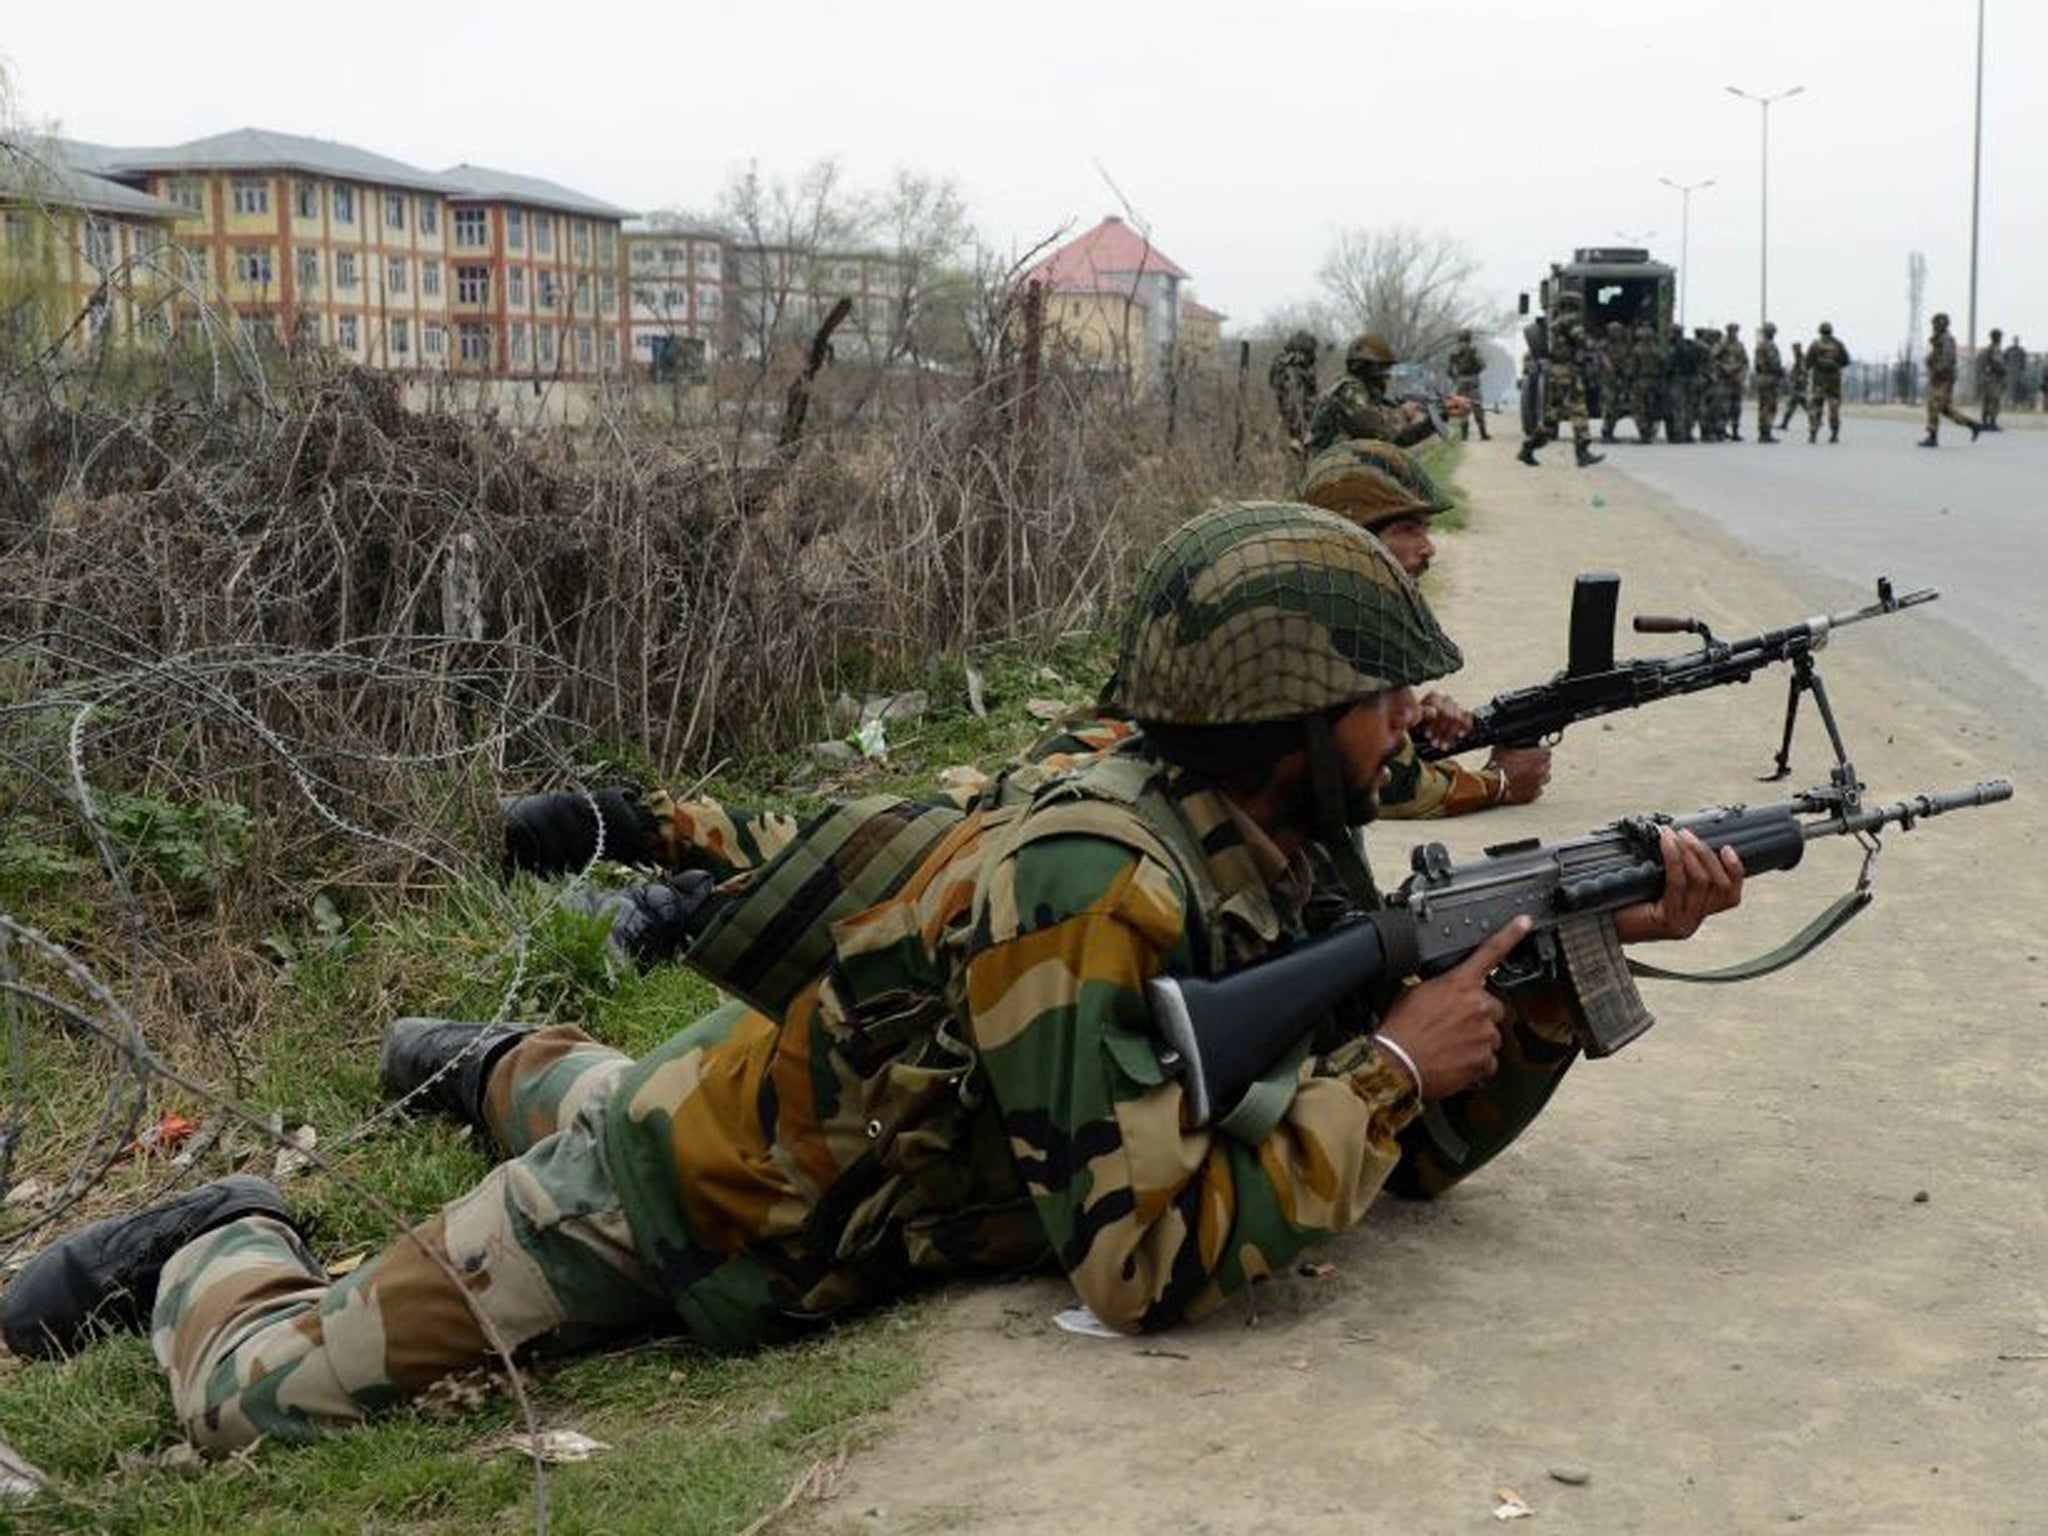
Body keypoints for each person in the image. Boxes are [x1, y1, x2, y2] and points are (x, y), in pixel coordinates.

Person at [0, 504, 1743, 1454]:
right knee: (260, 1398)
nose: (1415, 731)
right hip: (701, 1210)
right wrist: (1383, 1072)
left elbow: (1410, 1163)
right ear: (1281, 717)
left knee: (633, 1090)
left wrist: (1527, 1009)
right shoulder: (1099, 884)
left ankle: (492, 1062)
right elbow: (1138, 1263)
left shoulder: (1274, 845)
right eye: (1379, 704)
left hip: (829, 1147)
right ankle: (216, 1232)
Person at [1296, 441, 1551, 815]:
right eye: (1407, 529)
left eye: (1425, 530)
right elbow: (1398, 788)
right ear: (1354, 537)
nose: (1428, 547)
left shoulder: (1323, 597)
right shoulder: (1334, 623)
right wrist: (1501, 783)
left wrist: (1410, 723)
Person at [1305, 333, 1436, 454]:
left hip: (1346, 466)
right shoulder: (1348, 390)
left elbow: (1398, 439)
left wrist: (1434, 420)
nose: (1387, 377)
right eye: (1383, 370)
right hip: (1331, 471)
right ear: (1369, 369)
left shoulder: (1366, 396)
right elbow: (1378, 429)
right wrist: (1403, 413)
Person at [1519, 293, 1604, 468]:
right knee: (1571, 412)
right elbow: (1582, 340)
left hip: (1562, 372)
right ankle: (1579, 452)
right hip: (1565, 372)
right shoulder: (1570, 320)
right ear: (1573, 305)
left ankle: (1531, 449)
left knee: (1561, 415)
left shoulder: (1557, 322)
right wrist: (1598, 348)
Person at [1920, 313, 1984, 448]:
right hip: (1941, 379)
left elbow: (1948, 360)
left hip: (1943, 379)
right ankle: (1973, 425)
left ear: (1941, 324)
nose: (1934, 327)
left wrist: (1936, 369)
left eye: (1936, 324)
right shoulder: (1939, 339)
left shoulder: (1946, 339)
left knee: (1933, 404)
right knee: (1945, 410)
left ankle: (1932, 437)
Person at [1269, 329, 1321, 450]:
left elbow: (1313, 386)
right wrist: (1289, 365)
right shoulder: (1283, 360)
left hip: (1308, 415)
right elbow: (1275, 383)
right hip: (1291, 416)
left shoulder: (1308, 362)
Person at [1806, 322, 1850, 443]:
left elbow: (1807, 363)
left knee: (1816, 406)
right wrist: (1835, 366)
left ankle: (1813, 434)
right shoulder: (1838, 344)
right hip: (1834, 380)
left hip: (1819, 380)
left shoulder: (1815, 344)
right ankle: (1834, 434)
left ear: (1820, 331)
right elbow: (1846, 361)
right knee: (1834, 407)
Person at [1446, 329, 1490, 441]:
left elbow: (1449, 371)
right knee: (1477, 405)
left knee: (1462, 406)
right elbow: (1483, 364)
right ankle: (1483, 433)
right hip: (1473, 379)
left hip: (1460, 380)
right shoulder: (1474, 349)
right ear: (1469, 338)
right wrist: (1476, 372)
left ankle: (1464, 436)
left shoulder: (1453, 351)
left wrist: (1456, 379)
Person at [1627, 322, 1663, 443]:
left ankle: (1644, 434)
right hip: (1653, 381)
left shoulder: (1637, 350)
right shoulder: (1656, 349)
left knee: (1639, 408)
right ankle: (1649, 431)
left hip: (1640, 381)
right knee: (1650, 407)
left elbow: (1631, 369)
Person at [1715, 322, 1750, 442]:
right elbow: (1713, 359)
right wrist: (1723, 367)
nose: (1734, 333)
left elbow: (1745, 361)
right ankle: (1720, 431)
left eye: (1735, 331)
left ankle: (1735, 431)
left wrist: (1742, 374)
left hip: (1736, 379)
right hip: (1724, 380)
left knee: (1736, 407)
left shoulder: (1740, 345)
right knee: (1723, 406)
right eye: (1732, 331)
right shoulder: (1721, 344)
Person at [1751, 322, 1784, 443]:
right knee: (1769, 406)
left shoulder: (1759, 345)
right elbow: (1773, 363)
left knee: (1763, 406)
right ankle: (1766, 432)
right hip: (1770, 378)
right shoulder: (1769, 346)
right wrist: (1780, 372)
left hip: (1762, 377)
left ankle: (1763, 432)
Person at [1975, 327, 2007, 431]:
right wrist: (2004, 370)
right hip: (1995, 378)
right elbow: (1997, 363)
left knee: (1987, 400)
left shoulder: (1987, 349)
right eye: (2000, 337)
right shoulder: (1995, 349)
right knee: (1995, 400)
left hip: (1987, 378)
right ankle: (1992, 423)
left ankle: (1985, 422)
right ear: (1997, 338)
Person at [1779, 341, 1810, 433]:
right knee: (1803, 405)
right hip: (1798, 385)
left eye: (1795, 349)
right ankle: (1816, 420)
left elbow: (1804, 372)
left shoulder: (1801, 358)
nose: (1794, 351)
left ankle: (1784, 424)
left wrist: (1797, 379)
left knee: (1793, 405)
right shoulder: (1798, 358)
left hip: (1799, 385)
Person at [2003, 334, 2030, 411]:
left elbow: (2024, 362)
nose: (2016, 342)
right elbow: (2004, 359)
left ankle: (2016, 403)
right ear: (2013, 341)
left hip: (2018, 373)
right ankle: (2009, 403)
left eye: (2016, 340)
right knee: (2010, 388)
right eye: (2015, 340)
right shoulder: (2009, 350)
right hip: (2010, 373)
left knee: (2018, 388)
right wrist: (2006, 368)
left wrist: (2022, 370)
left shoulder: (2021, 351)